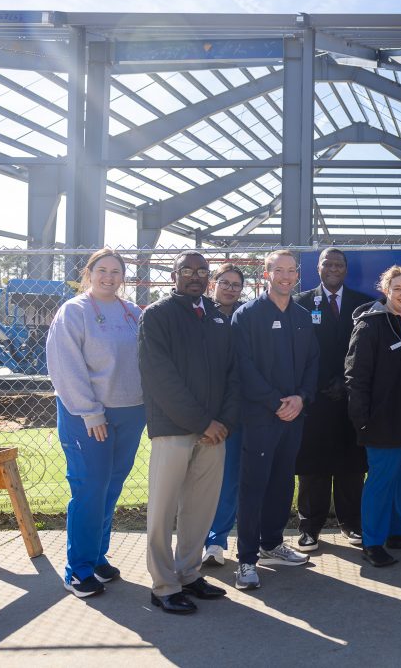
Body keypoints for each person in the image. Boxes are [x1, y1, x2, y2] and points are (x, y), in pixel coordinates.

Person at [139, 251, 239, 614]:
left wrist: (223, 422)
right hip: (174, 429)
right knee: (163, 510)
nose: (195, 276)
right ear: (174, 275)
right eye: (187, 270)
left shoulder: (216, 317)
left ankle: (188, 572)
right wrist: (202, 422)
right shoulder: (157, 315)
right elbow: (160, 377)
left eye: (202, 271)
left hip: (215, 433)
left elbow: (232, 373)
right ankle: (164, 585)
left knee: (200, 508)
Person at [46, 248, 146, 598]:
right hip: (89, 416)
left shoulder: (133, 313)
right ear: (88, 273)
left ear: (123, 277)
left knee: (111, 487)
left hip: (131, 411)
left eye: (115, 271)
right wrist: (90, 412)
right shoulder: (74, 311)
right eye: (102, 270)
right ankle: (78, 569)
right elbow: (65, 366)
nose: (109, 277)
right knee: (90, 488)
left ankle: (97, 556)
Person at [231, 249, 319, 590]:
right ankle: (246, 560)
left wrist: (301, 397)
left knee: (283, 482)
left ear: (297, 275)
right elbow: (243, 365)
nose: (285, 276)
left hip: (294, 415)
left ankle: (271, 544)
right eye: (278, 270)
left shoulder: (302, 316)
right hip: (260, 416)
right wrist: (274, 402)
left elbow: (312, 362)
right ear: (266, 274)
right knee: (254, 486)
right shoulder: (248, 314)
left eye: (291, 270)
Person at [345, 266, 401, 567]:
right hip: (383, 420)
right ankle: (372, 542)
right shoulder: (370, 324)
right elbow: (355, 377)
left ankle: (398, 531)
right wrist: (363, 421)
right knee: (381, 482)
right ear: (385, 290)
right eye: (397, 288)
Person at [294, 248, 374, 552]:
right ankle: (309, 527)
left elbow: (367, 349)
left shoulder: (364, 304)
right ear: (318, 267)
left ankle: (351, 523)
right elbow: (298, 351)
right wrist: (321, 382)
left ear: (346, 269)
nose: (333, 268)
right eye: (327, 263)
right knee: (312, 465)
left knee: (351, 464)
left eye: (339, 264)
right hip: (314, 397)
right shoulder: (301, 302)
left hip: (352, 397)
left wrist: (345, 381)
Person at [201, 263, 247, 566]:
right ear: (212, 284)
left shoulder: (248, 315)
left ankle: (232, 541)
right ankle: (207, 541)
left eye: (236, 284)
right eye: (225, 282)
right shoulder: (199, 313)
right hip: (208, 412)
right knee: (208, 480)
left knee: (235, 478)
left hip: (243, 409)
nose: (230, 288)